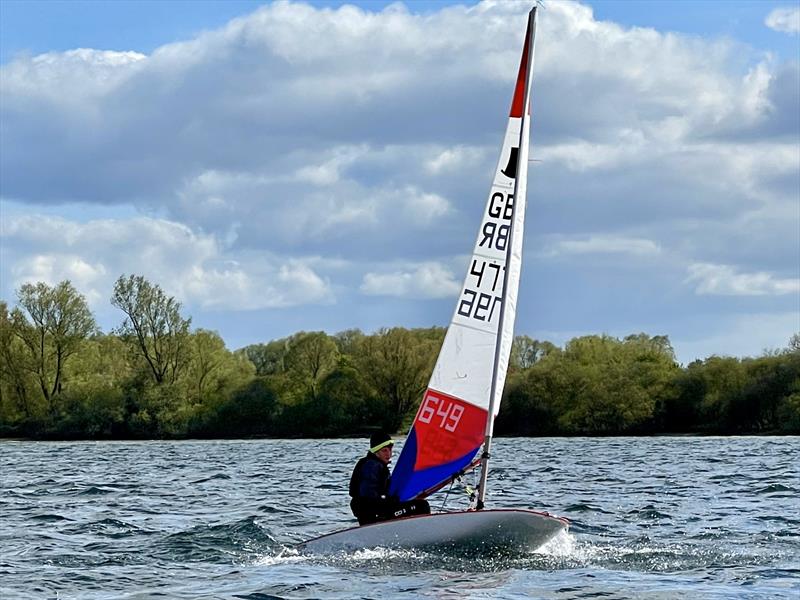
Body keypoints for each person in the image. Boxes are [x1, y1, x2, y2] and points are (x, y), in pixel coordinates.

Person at [349, 431, 430, 525]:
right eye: (384, 451)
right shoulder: (372, 466)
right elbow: (368, 495)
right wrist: (392, 501)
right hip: (374, 514)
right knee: (421, 506)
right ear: (376, 452)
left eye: (390, 450)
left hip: (377, 511)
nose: (389, 454)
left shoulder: (375, 464)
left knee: (417, 503)